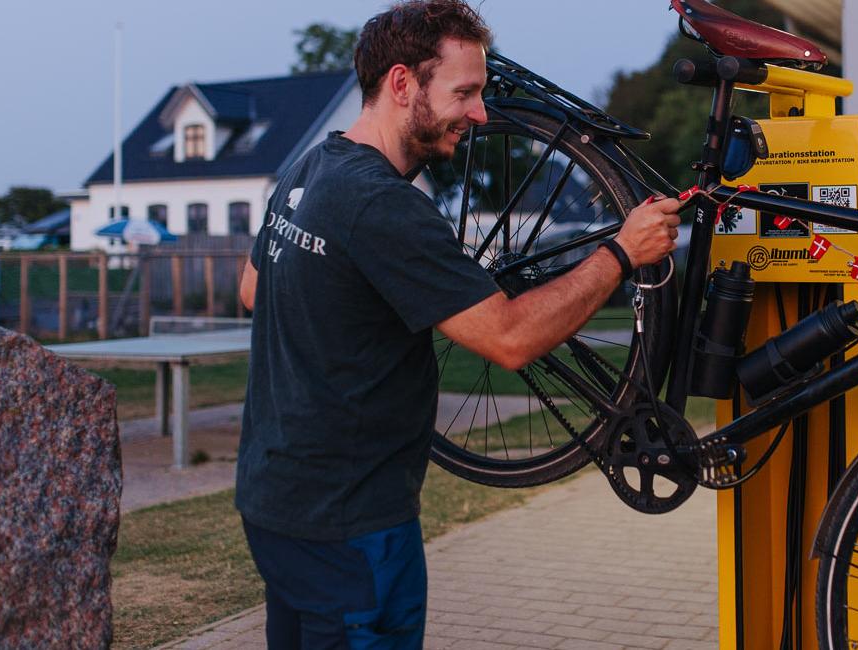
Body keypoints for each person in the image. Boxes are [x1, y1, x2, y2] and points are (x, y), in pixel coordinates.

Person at [234, 1, 681, 647]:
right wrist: (620, 252)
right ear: (401, 83)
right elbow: (509, 338)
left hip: (275, 501)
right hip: (352, 520)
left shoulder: (312, 167)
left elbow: (252, 290)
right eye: (464, 92)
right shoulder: (382, 205)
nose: (479, 113)